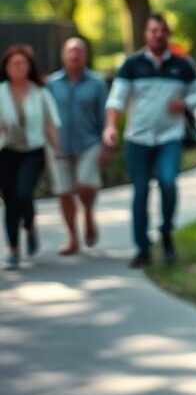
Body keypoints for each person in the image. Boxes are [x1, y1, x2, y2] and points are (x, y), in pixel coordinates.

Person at [103, 14, 196, 268]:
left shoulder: (182, 65)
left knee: (168, 183)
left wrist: (184, 103)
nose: (158, 34)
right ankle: (142, 248)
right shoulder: (132, 64)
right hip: (138, 139)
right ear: (145, 35)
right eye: (153, 30)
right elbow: (117, 99)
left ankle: (166, 232)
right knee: (140, 193)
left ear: (168, 34)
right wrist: (111, 127)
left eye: (162, 30)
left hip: (170, 137)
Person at [46, 37, 109, 256]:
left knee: (84, 184)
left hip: (89, 143)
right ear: (63, 55)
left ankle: (89, 214)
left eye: (79, 51)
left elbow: (105, 116)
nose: (75, 55)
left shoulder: (97, 83)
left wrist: (106, 145)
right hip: (59, 146)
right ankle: (73, 237)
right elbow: (46, 118)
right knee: (64, 193)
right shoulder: (51, 84)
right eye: (71, 51)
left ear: (86, 55)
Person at [0, 45, 60, 270]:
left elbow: (51, 123)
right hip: (6, 151)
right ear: (6, 67)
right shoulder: (1, 92)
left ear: (29, 67)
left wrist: (58, 148)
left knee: (23, 193)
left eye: (22, 63)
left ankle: (30, 225)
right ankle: (14, 251)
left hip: (34, 151)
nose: (18, 67)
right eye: (13, 63)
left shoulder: (40, 92)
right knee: (10, 200)